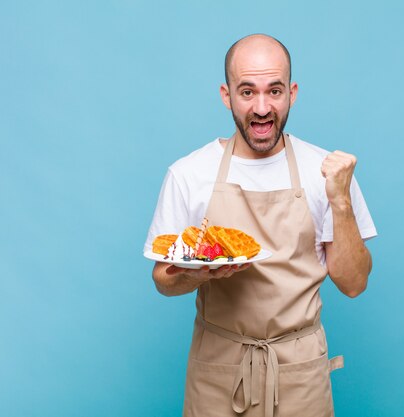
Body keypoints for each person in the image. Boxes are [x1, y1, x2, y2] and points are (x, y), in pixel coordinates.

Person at [144, 34, 377, 417]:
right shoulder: (189, 173)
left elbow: (354, 284)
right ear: (226, 94)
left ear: (293, 92)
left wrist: (340, 200)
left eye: (275, 90)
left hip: (299, 372)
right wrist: (200, 273)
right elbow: (163, 279)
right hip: (218, 369)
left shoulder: (326, 173)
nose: (262, 107)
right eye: (247, 91)